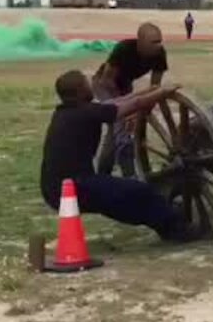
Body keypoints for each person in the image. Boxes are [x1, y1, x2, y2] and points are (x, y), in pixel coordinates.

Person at [40, 71, 196, 241]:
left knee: (124, 198)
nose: (90, 86)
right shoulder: (85, 112)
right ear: (79, 91)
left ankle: (167, 221)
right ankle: (176, 230)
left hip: (55, 187)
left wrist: (147, 91)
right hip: (74, 186)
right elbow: (130, 106)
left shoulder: (66, 112)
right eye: (86, 84)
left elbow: (114, 103)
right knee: (139, 191)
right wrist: (163, 92)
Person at [93, 23, 168, 176]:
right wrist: (124, 107)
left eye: (160, 41)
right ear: (140, 42)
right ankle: (129, 174)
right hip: (104, 85)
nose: (158, 45)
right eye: (154, 42)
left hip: (125, 84)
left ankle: (103, 173)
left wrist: (145, 109)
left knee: (114, 132)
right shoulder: (124, 49)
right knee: (120, 128)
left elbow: (155, 86)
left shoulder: (160, 53)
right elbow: (107, 80)